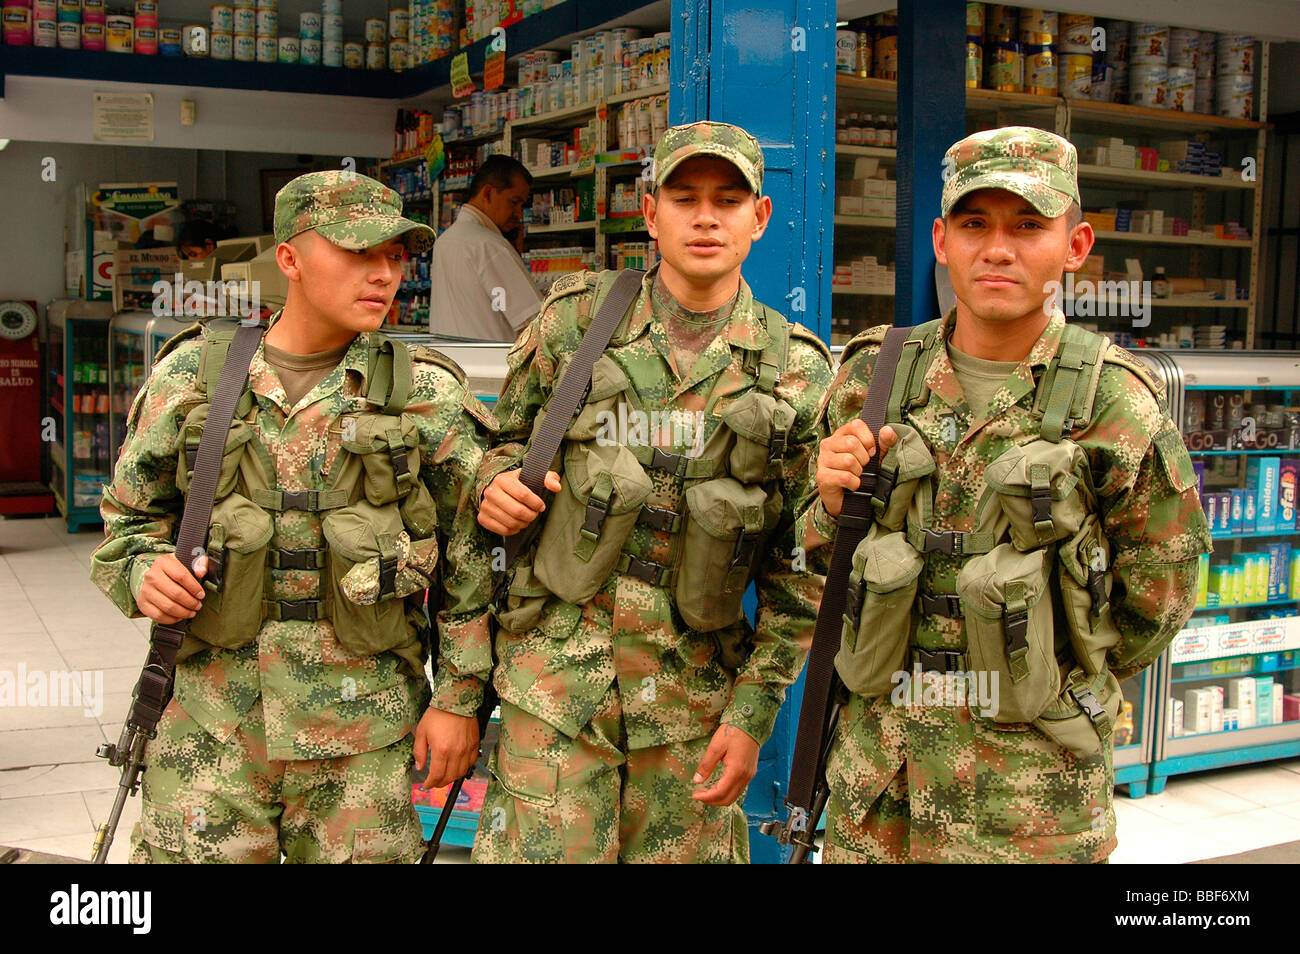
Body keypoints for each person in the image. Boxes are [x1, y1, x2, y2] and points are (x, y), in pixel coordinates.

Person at [806, 126, 1210, 863]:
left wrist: (1045, 665)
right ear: (941, 239)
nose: (999, 249)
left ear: (1076, 245)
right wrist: (830, 508)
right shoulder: (875, 377)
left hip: (1032, 806)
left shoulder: (1114, 402)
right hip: (879, 792)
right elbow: (812, 567)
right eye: (975, 224)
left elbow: (1162, 595)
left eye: (1029, 226)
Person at [90, 171, 498, 863]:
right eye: (359, 253)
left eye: (396, 257)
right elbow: (128, 518)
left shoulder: (424, 392)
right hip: (210, 729)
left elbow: (472, 557)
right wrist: (140, 573)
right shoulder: (195, 375)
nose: (384, 275)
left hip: (364, 737)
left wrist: (459, 700)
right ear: (290, 259)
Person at [473, 121, 833, 863]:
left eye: (729, 200)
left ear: (759, 218)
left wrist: (753, 712)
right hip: (554, 696)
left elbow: (803, 574)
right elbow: (495, 447)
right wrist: (493, 483)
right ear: (649, 212)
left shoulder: (795, 370)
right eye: (685, 197)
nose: (706, 217)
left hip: (693, 711)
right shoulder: (575, 324)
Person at [428, 154, 541, 342]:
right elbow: (535, 322)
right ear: (488, 193)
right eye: (514, 202)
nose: (519, 214)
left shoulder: (445, 240)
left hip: (451, 362)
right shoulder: (490, 245)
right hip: (492, 365)